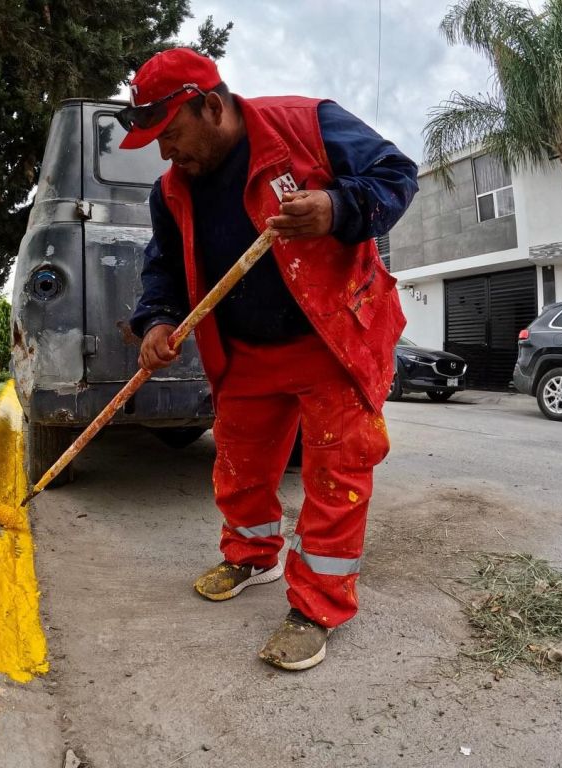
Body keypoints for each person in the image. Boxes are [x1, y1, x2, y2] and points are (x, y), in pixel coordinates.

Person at [119, 48, 418, 671]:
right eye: (157, 144)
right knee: (241, 467)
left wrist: (337, 208)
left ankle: (317, 605)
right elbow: (164, 269)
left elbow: (397, 175)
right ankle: (251, 557)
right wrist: (158, 320)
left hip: (331, 338)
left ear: (211, 105)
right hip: (247, 350)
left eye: (172, 135)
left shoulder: (307, 124)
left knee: (336, 475)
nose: (168, 154)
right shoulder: (171, 190)